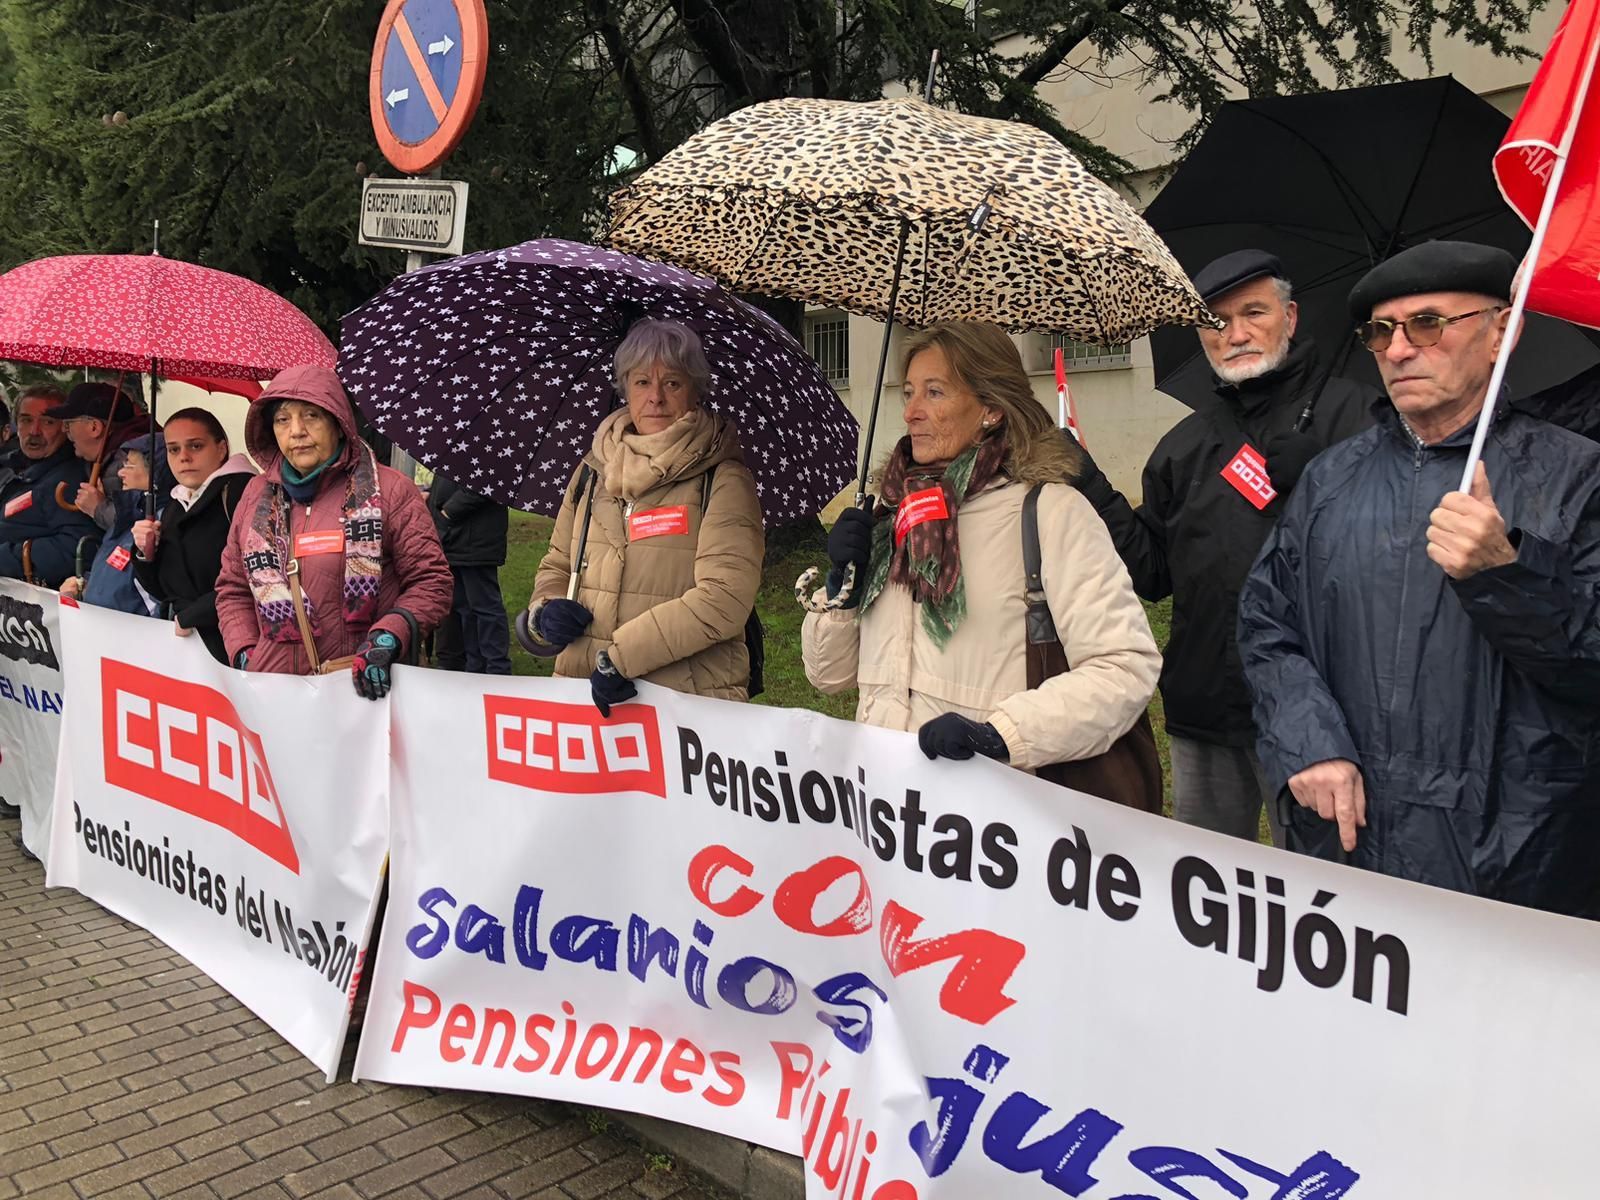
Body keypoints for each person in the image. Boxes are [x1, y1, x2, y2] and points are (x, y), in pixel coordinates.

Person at [1238, 240, 1600, 918]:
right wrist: (1309, 742)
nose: (1399, 350)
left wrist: (1507, 575)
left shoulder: (1579, 477)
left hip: (1513, 861)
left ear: (1502, 331)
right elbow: (1267, 622)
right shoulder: (1330, 479)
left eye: (1427, 324)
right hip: (1353, 851)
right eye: (1380, 332)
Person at [1069, 250, 1376, 844]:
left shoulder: (1359, 417)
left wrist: (1329, 476)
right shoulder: (1182, 448)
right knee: (1206, 889)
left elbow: (1399, 548)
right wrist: (1087, 482)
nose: (1235, 333)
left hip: (1327, 718)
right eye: (1215, 320)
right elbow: (1152, 572)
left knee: (1327, 894)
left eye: (1253, 313)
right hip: (1206, 709)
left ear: (1289, 316)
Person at [803, 322, 1160, 773]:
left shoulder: (1050, 512)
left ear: (990, 408)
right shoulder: (890, 515)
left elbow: (1124, 668)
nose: (911, 411)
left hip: (991, 817)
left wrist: (1000, 736)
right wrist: (843, 586)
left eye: (934, 393)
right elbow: (828, 677)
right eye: (909, 392)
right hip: (888, 808)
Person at [516, 319, 764, 712]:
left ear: (695, 391)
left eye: (672, 383)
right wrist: (544, 613)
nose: (656, 398)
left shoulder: (722, 478)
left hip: (684, 703)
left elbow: (724, 598)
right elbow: (557, 564)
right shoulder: (592, 471)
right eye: (642, 382)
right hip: (582, 696)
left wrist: (620, 658)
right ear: (625, 390)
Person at [214, 365, 452, 699]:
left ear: (338, 423)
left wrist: (388, 637)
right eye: (283, 419)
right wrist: (245, 653)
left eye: (311, 415)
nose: (296, 431)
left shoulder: (392, 491)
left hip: (360, 691)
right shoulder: (255, 495)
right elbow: (233, 588)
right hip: (273, 694)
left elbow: (432, 582)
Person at [132, 407, 258, 663]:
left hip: (234, 646)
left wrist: (195, 615)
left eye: (196, 446)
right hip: (188, 648)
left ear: (221, 448)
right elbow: (162, 589)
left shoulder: (243, 492)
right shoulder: (176, 502)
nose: (184, 458)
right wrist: (145, 553)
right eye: (173, 449)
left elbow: (256, 576)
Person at [0, 384, 101, 587]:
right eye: (26, 420)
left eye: (48, 421)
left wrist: (11, 558)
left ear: (65, 426)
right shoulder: (7, 465)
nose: (34, 431)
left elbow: (79, 547)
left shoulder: (71, 480)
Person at [67, 432, 172, 615]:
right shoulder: (128, 517)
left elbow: (159, 599)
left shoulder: (163, 522)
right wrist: (83, 585)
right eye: (123, 464)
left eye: (130, 465)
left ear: (156, 473)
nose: (121, 472)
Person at [427, 473, 511, 675]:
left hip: (474, 540)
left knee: (485, 608)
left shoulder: (489, 445)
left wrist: (448, 512)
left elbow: (488, 482)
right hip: (454, 538)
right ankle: (475, 667)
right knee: (464, 608)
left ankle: (497, 670)